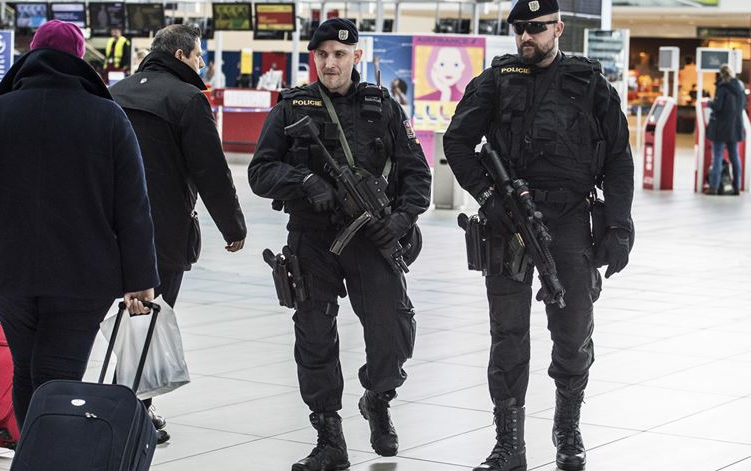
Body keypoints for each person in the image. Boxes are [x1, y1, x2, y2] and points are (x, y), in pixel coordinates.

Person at [0, 20, 158, 429]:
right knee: (58, 374)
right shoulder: (108, 117)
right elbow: (133, 206)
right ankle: (46, 455)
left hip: (8, 272)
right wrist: (140, 278)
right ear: (79, 60)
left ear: (30, 56)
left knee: (28, 370)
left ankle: (34, 453)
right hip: (84, 276)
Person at [443, 1, 634, 470]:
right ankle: (509, 444)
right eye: (519, 30)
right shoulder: (496, 80)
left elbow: (618, 159)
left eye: (536, 28)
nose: (526, 37)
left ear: (558, 29)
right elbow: (456, 142)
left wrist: (618, 225)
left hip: (569, 221)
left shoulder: (590, 83)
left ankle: (567, 427)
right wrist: (490, 199)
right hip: (506, 222)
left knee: (572, 331)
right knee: (507, 335)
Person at [248, 18, 432, 471]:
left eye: (340, 54)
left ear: (357, 57)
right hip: (312, 237)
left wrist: (403, 219)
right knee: (314, 335)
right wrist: (304, 180)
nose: (331, 63)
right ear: (314, 58)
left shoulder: (383, 107)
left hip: (371, 238)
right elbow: (260, 172)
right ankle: (329, 436)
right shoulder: (292, 107)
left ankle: (378, 395)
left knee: (392, 332)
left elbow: (417, 174)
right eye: (323, 54)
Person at [110, 24, 247, 444]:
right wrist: (233, 225)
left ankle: (110, 404)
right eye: (200, 55)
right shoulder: (188, 99)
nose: (203, 63)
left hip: (107, 229)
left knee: (114, 322)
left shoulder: (115, 92)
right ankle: (132, 410)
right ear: (184, 54)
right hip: (162, 234)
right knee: (149, 320)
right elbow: (210, 169)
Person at [706, 64, 745, 195]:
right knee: (734, 156)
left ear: (720, 74)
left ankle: (713, 187)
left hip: (721, 127)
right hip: (735, 127)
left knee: (717, 156)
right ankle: (736, 187)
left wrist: (708, 102)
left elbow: (717, 106)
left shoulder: (722, 87)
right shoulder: (740, 87)